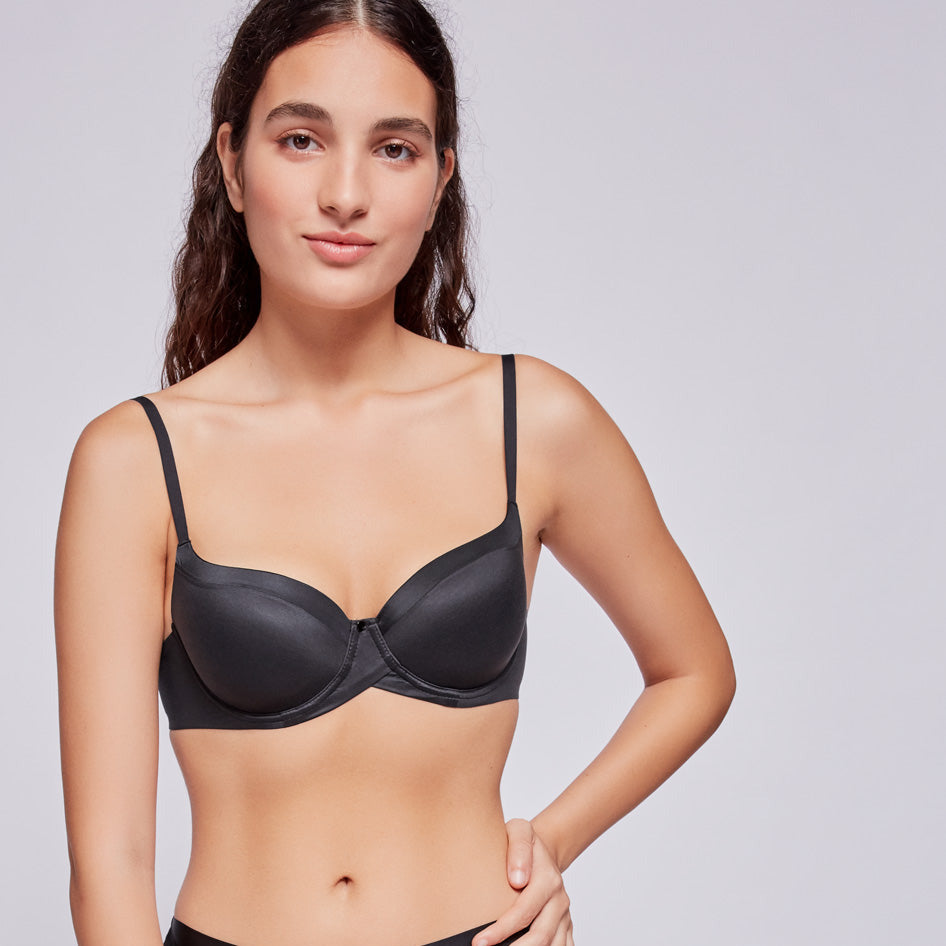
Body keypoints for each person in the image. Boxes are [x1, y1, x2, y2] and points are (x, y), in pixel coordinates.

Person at [54, 1, 736, 944]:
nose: (346, 194)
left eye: (395, 149)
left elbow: (694, 671)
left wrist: (552, 841)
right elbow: (111, 865)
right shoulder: (134, 461)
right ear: (233, 164)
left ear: (442, 177)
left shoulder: (533, 421)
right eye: (301, 140)